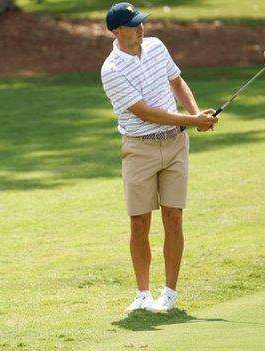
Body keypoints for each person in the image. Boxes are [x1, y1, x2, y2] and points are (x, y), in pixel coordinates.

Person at [100, 3, 218, 312]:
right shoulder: (111, 70)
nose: (141, 28)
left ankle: (169, 294)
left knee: (174, 218)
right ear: (115, 31)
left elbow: (176, 82)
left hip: (176, 144)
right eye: (133, 24)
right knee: (139, 222)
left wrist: (195, 113)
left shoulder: (156, 46)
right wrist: (193, 122)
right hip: (139, 148)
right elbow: (145, 112)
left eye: (141, 22)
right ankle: (142, 295)